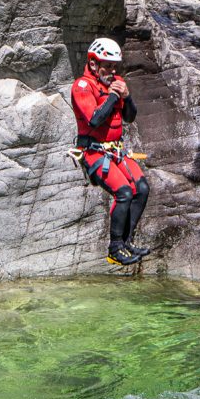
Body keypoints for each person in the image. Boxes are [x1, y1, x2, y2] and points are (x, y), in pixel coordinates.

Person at [70, 38, 150, 266]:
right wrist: (115, 95)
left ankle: (126, 242)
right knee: (124, 192)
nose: (112, 71)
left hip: (116, 152)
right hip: (93, 152)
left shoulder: (116, 83)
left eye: (115, 67)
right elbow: (94, 119)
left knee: (142, 189)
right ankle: (115, 248)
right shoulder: (82, 86)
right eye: (108, 66)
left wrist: (127, 97)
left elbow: (129, 117)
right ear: (94, 64)